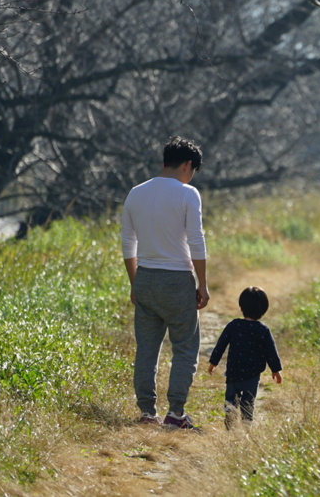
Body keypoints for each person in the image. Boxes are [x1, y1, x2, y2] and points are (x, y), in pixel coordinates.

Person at [121, 136, 210, 430]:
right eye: (192, 170)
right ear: (188, 165)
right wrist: (203, 283)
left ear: (164, 161)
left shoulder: (136, 193)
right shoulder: (188, 194)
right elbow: (196, 241)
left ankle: (147, 412)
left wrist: (135, 282)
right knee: (185, 347)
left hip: (145, 275)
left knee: (147, 348)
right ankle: (176, 413)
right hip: (176, 280)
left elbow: (127, 242)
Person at [208, 286, 283, 429]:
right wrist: (276, 370)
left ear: (241, 307)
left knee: (231, 400)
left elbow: (221, 344)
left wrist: (214, 361)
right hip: (252, 376)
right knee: (248, 402)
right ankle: (246, 427)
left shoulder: (234, 325)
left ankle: (230, 423)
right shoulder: (263, 330)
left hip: (233, 373)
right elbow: (271, 352)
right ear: (263, 309)